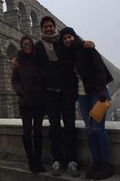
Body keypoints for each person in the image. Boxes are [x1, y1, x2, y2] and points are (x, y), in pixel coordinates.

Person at [60, 26, 113, 180]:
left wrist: (102, 90)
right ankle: (96, 162)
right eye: (64, 38)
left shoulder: (87, 48)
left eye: (69, 36)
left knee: (98, 128)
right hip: (82, 96)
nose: (67, 40)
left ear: (74, 36)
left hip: (97, 93)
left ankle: (106, 164)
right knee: (89, 129)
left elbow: (99, 69)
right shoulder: (68, 55)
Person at [34, 16, 80, 177]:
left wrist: (88, 44)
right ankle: (57, 160)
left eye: (50, 26)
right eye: (45, 26)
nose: (48, 28)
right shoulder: (39, 46)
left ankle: (72, 161)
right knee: (54, 127)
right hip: (50, 93)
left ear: (54, 27)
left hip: (66, 91)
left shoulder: (63, 42)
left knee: (70, 126)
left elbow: (77, 49)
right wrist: (16, 61)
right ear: (41, 29)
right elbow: (34, 65)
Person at [11, 35, 46, 173]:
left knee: (38, 132)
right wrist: (20, 91)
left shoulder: (38, 59)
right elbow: (14, 80)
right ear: (21, 46)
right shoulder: (17, 61)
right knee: (26, 133)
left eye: (29, 44)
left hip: (38, 101)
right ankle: (31, 161)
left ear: (32, 45)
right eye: (24, 44)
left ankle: (38, 161)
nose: (27, 46)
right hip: (25, 102)